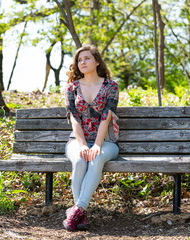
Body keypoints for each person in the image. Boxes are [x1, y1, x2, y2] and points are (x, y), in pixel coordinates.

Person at [63, 45, 120, 231]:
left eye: (87, 58)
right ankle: (81, 214)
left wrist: (97, 145)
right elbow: (74, 119)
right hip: (76, 140)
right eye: (79, 60)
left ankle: (77, 210)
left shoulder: (111, 86)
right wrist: (82, 145)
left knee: (96, 159)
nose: (82, 62)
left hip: (106, 142)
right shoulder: (72, 88)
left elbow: (107, 116)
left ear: (97, 61)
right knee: (80, 161)